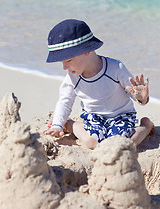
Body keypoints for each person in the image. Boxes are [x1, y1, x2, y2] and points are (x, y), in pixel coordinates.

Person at [44, 19, 154, 149]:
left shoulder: (115, 68)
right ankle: (69, 124)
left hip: (121, 116)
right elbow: (65, 101)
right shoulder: (72, 77)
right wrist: (57, 124)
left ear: (86, 50)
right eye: (62, 62)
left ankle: (146, 126)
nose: (64, 67)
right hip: (94, 117)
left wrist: (141, 97)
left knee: (123, 144)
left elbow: (135, 94)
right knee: (92, 143)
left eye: (68, 60)